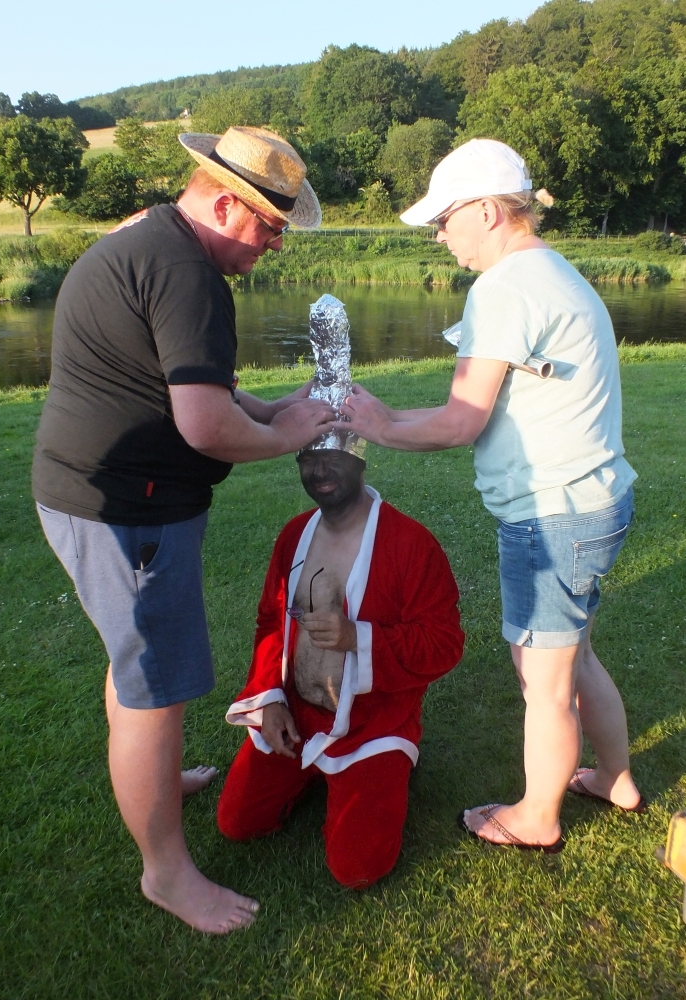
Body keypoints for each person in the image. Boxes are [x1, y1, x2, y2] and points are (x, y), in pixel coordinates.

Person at [31, 126, 337, 933]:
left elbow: (196, 387)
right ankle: (166, 874)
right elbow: (205, 426)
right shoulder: (188, 274)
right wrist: (287, 437)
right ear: (226, 203)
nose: (275, 243)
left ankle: (158, 786)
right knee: (155, 694)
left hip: (89, 494)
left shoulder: (152, 241)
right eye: (270, 225)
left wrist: (276, 407)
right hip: (127, 512)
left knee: (135, 669)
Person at [334, 138, 643, 853]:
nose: (440, 235)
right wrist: (384, 418)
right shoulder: (552, 271)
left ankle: (538, 817)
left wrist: (378, 426)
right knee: (577, 657)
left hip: (552, 514)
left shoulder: (503, 288)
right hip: (595, 500)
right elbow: (485, 407)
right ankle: (615, 777)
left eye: (444, 219)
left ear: (485, 210)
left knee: (545, 678)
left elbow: (460, 422)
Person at [216, 442, 464, 887]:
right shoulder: (295, 534)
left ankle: (389, 766)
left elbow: (444, 643)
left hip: (372, 723)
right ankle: (316, 771)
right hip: (296, 714)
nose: (320, 471)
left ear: (360, 459)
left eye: (333, 458)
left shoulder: (410, 543)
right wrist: (270, 699)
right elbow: (271, 621)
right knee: (236, 822)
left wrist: (358, 637)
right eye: (309, 460)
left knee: (357, 868)